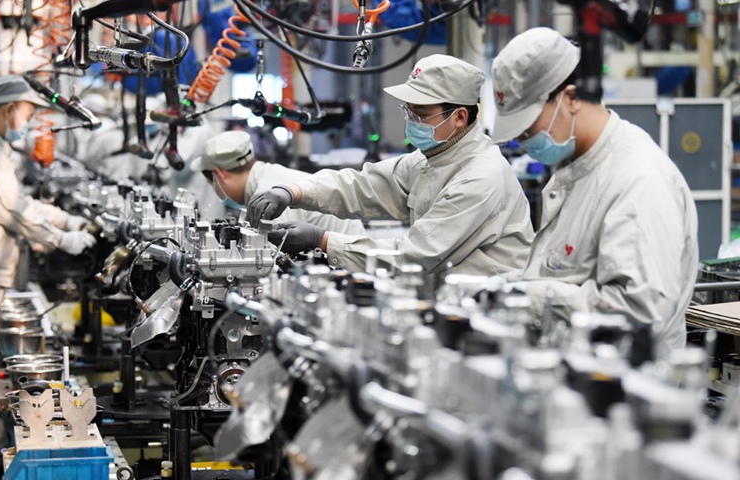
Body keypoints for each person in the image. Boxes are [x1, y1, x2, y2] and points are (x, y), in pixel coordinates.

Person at [489, 27, 698, 360]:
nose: (524, 139)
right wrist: (500, 287)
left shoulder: (637, 181)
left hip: (625, 394)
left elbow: (639, 313)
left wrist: (529, 297)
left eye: (528, 126)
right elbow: (562, 272)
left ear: (570, 98)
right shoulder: (577, 168)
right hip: (575, 374)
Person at [0, 75, 97, 480]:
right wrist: (66, 238)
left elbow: (20, 202)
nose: (29, 122)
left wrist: (66, 218)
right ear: (10, 109)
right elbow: (14, 213)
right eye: (28, 112)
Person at [247, 54, 534, 275]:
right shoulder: (431, 158)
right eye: (408, 111)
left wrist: (322, 240)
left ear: (459, 117)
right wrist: (294, 191)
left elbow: (415, 255)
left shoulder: (479, 177)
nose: (410, 120)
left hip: (489, 318)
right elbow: (362, 186)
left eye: (420, 114)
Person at [190, 130, 365, 237]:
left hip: (345, 266)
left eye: (211, 183)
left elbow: (273, 262)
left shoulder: (269, 195)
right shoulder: (268, 175)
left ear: (219, 175)